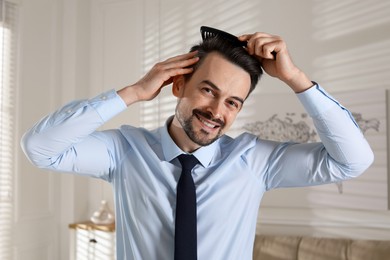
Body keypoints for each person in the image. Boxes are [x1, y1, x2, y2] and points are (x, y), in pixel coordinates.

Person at [21, 28, 374, 260]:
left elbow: (352, 161)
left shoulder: (255, 162)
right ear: (178, 86)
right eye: (208, 90)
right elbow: (39, 147)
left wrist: (296, 79)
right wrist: (133, 93)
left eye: (233, 102)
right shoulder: (123, 151)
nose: (217, 111)